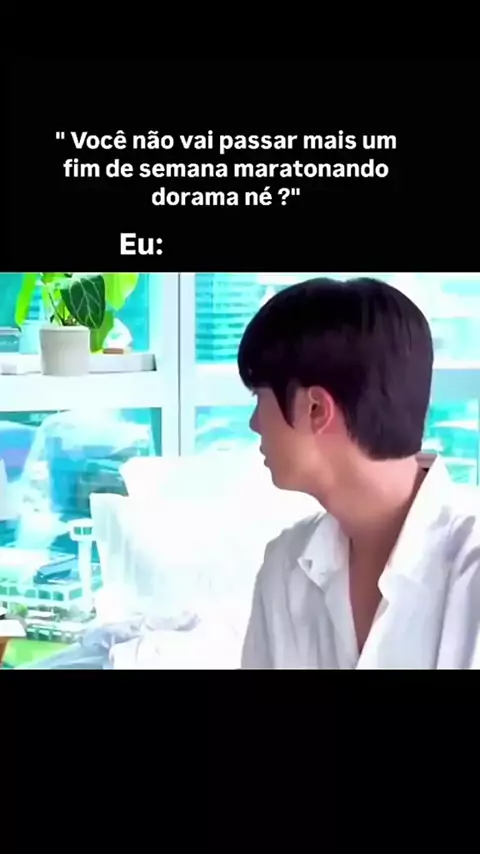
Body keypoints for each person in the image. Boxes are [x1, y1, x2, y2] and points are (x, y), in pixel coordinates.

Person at [238, 277, 480, 669]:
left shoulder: (471, 571)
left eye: (258, 398)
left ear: (316, 409)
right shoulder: (285, 566)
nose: (254, 423)